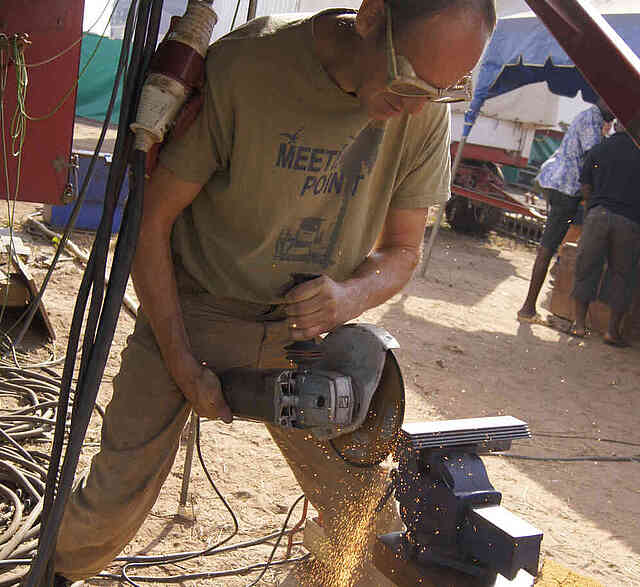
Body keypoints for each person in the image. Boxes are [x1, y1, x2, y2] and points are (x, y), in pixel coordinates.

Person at [53, 0, 496, 582]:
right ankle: (52, 573)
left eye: (439, 91)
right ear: (369, 17)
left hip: (309, 332)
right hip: (199, 308)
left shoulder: (422, 107)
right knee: (108, 505)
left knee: (370, 513)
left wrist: (349, 297)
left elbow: (403, 252)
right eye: (407, 80)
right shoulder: (249, 66)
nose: (415, 106)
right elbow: (149, 222)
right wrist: (183, 362)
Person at [517, 99, 614, 324]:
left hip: (560, 184)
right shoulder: (592, 119)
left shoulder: (593, 118)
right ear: (603, 102)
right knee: (548, 246)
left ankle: (532, 305)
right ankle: (528, 308)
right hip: (566, 188)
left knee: (553, 244)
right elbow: (594, 158)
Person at [571, 121, 640, 346]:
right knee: (622, 275)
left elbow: (585, 184)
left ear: (618, 124)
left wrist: (592, 206)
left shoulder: (600, 148)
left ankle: (579, 325)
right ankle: (612, 331)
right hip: (629, 222)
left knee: (586, 267)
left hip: (598, 215)